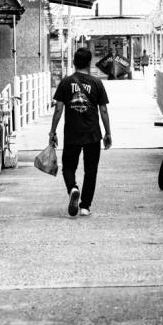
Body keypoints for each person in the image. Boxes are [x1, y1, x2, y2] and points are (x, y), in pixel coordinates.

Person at [49, 47, 112, 217]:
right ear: (90, 63)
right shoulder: (96, 83)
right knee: (91, 170)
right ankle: (85, 206)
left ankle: (73, 188)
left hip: (72, 133)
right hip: (92, 133)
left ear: (74, 62)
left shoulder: (65, 82)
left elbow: (58, 109)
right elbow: (103, 110)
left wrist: (52, 132)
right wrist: (108, 133)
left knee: (68, 167)